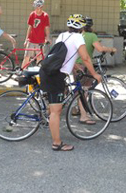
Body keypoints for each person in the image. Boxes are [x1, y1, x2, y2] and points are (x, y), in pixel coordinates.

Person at [39, 14, 101, 151]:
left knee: (54, 106)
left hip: (47, 71)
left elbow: (60, 55)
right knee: (56, 111)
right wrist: (95, 74)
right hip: (56, 75)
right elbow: (85, 57)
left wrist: (74, 66)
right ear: (82, 27)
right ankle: (57, 143)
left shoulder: (62, 35)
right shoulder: (78, 37)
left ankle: (47, 122)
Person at [73, 16, 117, 124]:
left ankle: (76, 108)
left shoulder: (78, 35)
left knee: (79, 88)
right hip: (85, 65)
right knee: (85, 90)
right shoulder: (91, 35)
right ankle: (83, 115)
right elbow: (100, 48)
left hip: (75, 65)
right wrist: (111, 49)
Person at [21, 0, 51, 68]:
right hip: (31, 39)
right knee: (27, 57)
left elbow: (46, 27)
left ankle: (38, 74)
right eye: (37, 8)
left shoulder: (45, 16)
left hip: (40, 40)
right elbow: (30, 27)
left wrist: (48, 37)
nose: (39, 10)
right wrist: (26, 39)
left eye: (40, 8)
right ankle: (22, 71)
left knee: (39, 58)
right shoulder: (32, 14)